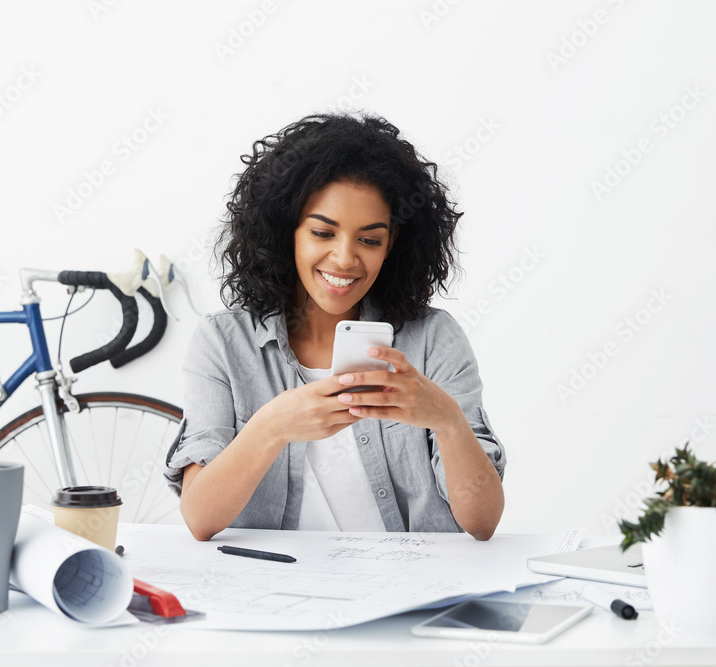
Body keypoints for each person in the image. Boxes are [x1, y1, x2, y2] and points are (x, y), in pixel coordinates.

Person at [163, 112, 505, 541]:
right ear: (288, 231)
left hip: (410, 586)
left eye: (369, 239)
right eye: (323, 233)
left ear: (392, 244)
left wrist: (449, 421)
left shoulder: (433, 339)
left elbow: (483, 522)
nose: (345, 259)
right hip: (276, 591)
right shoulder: (224, 343)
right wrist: (272, 427)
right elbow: (199, 519)